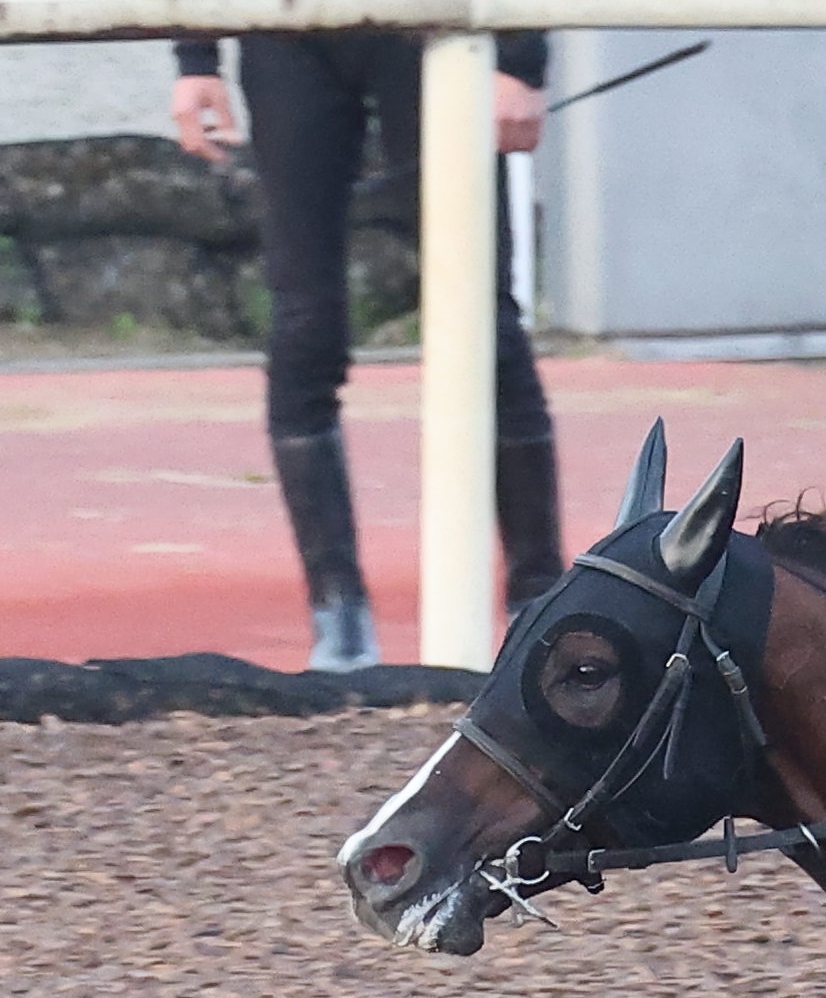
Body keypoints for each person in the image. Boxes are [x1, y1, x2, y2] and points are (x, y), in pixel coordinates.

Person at [174, 33, 564, 672]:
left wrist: (521, 60)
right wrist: (194, 58)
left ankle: (541, 603)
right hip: (288, 31)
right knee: (303, 323)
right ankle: (338, 616)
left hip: (436, 28)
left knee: (483, 317)